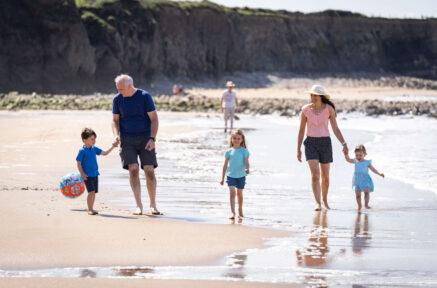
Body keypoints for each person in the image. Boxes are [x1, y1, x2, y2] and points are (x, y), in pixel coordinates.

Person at [112, 74, 162, 215]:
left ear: (129, 87)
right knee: (133, 168)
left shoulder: (145, 96)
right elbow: (115, 120)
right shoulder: (117, 99)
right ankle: (139, 205)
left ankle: (153, 204)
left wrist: (152, 138)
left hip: (146, 138)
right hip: (127, 139)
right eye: (117, 89)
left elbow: (154, 119)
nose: (118, 91)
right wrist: (116, 135)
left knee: (149, 169)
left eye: (120, 89)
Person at [297, 85, 348, 211]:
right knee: (315, 175)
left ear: (321, 97)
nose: (313, 97)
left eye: (315, 95)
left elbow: (335, 129)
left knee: (325, 177)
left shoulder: (329, 109)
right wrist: (298, 149)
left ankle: (325, 201)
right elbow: (301, 131)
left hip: (325, 143)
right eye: (311, 95)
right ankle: (318, 203)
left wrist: (344, 143)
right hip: (311, 143)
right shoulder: (305, 110)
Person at [76, 128, 117, 215]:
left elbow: (105, 153)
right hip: (87, 175)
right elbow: (78, 163)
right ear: (84, 140)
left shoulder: (94, 149)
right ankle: (90, 209)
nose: (94, 141)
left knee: (94, 193)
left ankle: (92, 208)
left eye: (94, 139)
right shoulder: (82, 151)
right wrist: (82, 173)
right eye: (92, 139)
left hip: (95, 174)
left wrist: (113, 146)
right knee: (90, 192)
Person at [220, 129, 250, 220]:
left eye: (238, 138)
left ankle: (240, 210)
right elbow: (225, 165)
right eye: (234, 138)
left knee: (239, 194)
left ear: (242, 140)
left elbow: (246, 162)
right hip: (231, 175)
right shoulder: (228, 151)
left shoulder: (244, 151)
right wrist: (222, 178)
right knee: (232, 192)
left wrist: (247, 168)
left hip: (241, 175)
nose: (236, 140)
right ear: (231, 139)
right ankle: (232, 212)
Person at [344, 144, 384, 210]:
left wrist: (379, 174)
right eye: (356, 155)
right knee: (358, 195)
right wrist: (346, 154)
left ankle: (366, 205)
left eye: (360, 155)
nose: (358, 157)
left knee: (366, 192)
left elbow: (373, 169)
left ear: (364, 154)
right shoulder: (355, 161)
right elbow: (348, 159)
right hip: (357, 180)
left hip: (365, 180)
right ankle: (359, 206)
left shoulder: (367, 162)